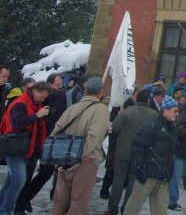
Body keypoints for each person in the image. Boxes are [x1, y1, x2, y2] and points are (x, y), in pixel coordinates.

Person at [51, 77, 110, 215]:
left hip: (65, 158)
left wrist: (61, 153)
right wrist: (83, 155)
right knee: (79, 202)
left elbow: (57, 130)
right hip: (85, 160)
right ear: (100, 91)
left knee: (60, 200)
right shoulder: (101, 109)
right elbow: (94, 136)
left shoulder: (73, 107)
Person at [14, 73, 67, 213]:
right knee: (26, 174)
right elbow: (19, 121)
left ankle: (24, 198)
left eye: (60, 84)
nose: (59, 87)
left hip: (46, 139)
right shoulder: (30, 100)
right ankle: (19, 203)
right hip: (32, 141)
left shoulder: (54, 98)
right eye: (57, 84)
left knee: (46, 171)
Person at [123, 96, 179, 215]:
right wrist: (140, 167)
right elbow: (136, 147)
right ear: (165, 110)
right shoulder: (152, 126)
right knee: (134, 205)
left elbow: (170, 153)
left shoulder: (172, 128)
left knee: (161, 209)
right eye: (175, 110)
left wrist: (169, 171)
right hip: (148, 174)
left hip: (163, 176)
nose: (177, 114)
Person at [0, 81, 49, 215]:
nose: (42, 100)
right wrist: (36, 116)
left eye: (44, 98)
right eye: (41, 96)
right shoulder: (21, 103)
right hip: (15, 147)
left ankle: (2, 206)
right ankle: (5, 210)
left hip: (25, 148)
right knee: (19, 180)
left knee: (12, 181)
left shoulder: (35, 104)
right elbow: (16, 123)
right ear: (35, 91)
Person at [107, 90, 158, 215]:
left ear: (136, 99)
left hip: (123, 150)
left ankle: (112, 208)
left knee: (118, 181)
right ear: (147, 101)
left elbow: (114, 129)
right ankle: (127, 208)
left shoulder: (127, 112)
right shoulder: (154, 115)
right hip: (141, 153)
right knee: (133, 183)